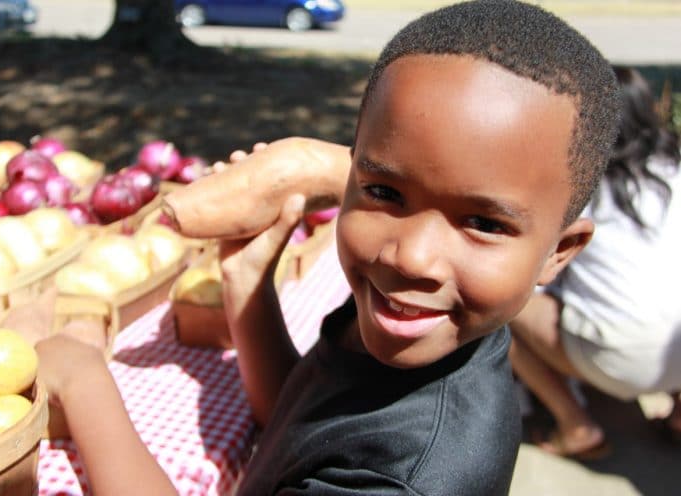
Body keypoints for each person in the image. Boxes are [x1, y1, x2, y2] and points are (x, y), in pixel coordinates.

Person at [34, 1, 621, 494]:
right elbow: (300, 415)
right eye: (386, 190)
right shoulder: (414, 315)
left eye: (484, 224)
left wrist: (86, 384)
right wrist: (247, 284)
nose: (410, 256)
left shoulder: (403, 480)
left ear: (558, 253)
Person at [508, 65, 681, 459]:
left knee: (503, 305)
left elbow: (540, 268)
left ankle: (576, 425)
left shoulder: (578, 185)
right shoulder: (674, 168)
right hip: (677, 345)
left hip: (621, 359)